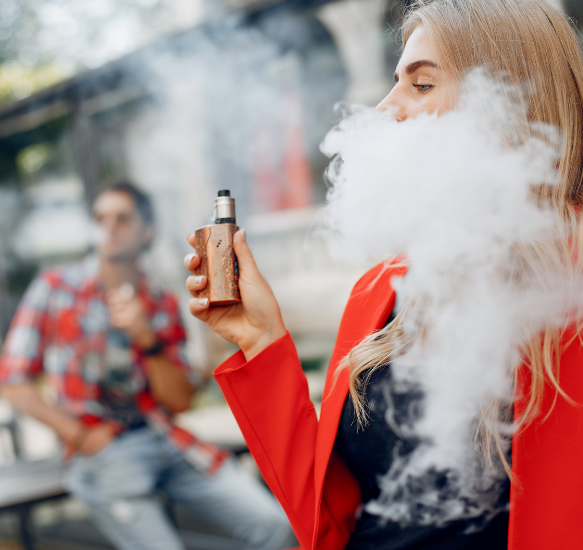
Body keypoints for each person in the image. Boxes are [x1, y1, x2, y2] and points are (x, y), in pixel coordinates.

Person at [183, 1, 583, 549]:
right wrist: (260, 338)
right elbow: (334, 519)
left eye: (420, 86)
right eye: (395, 82)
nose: (384, 108)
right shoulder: (382, 289)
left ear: (513, 101)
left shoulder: (571, 285)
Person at [0, 180, 298, 550]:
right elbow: (13, 382)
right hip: (103, 450)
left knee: (276, 525)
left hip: (163, 436)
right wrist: (77, 436)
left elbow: (180, 401)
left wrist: (146, 338)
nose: (109, 226)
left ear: (146, 231)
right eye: (100, 217)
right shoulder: (55, 288)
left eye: (122, 218)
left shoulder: (161, 301)